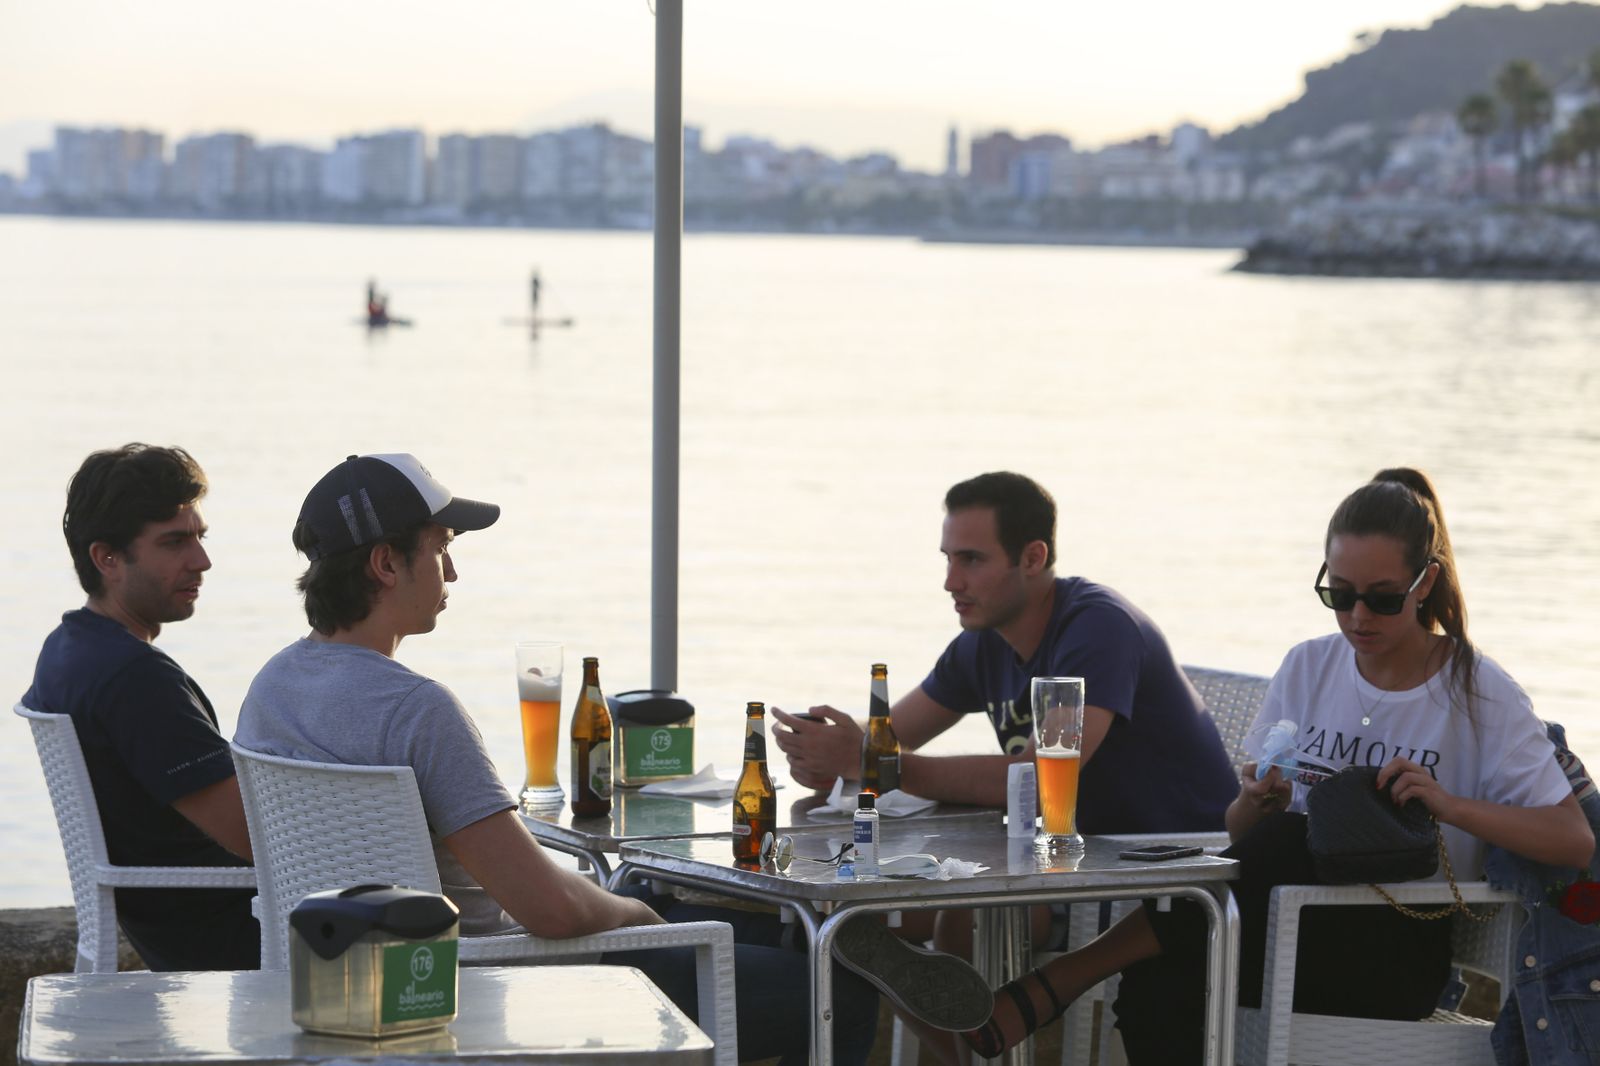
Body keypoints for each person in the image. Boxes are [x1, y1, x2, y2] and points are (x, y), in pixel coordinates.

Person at [234, 452, 991, 1065]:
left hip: (343, 983)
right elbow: (551, 910)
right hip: (493, 985)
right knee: (828, 994)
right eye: (440, 550)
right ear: (385, 565)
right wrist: (631, 910)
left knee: (748, 930)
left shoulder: (270, 690)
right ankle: (847, 964)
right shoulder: (416, 710)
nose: (453, 573)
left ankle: (835, 943)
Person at [956, 467, 1595, 1064]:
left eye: (1381, 599)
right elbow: (1241, 835)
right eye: (1338, 595)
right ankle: (1072, 977)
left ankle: (1065, 975)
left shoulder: (1476, 689)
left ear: (1423, 584)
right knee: (1158, 983)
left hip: (1393, 944)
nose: (1357, 617)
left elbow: (1572, 841)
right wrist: (1253, 801)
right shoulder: (1309, 666)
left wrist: (1450, 805)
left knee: (1294, 835)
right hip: (1278, 922)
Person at [772, 471, 1239, 952]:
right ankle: (963, 1029)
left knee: (942, 910)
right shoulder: (983, 643)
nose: (951, 581)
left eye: (972, 560)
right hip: (1065, 858)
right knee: (839, 919)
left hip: (1164, 875)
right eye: (949, 559)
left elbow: (1035, 779)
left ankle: (984, 1025)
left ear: (1033, 557)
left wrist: (871, 764)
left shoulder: (1098, 630)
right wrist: (832, 757)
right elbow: (893, 741)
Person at [22, 444, 258, 970]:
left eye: (199, 537)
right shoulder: (135, 678)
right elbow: (257, 837)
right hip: (233, 930)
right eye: (174, 543)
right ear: (106, 558)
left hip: (168, 923)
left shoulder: (66, 648)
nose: (201, 560)